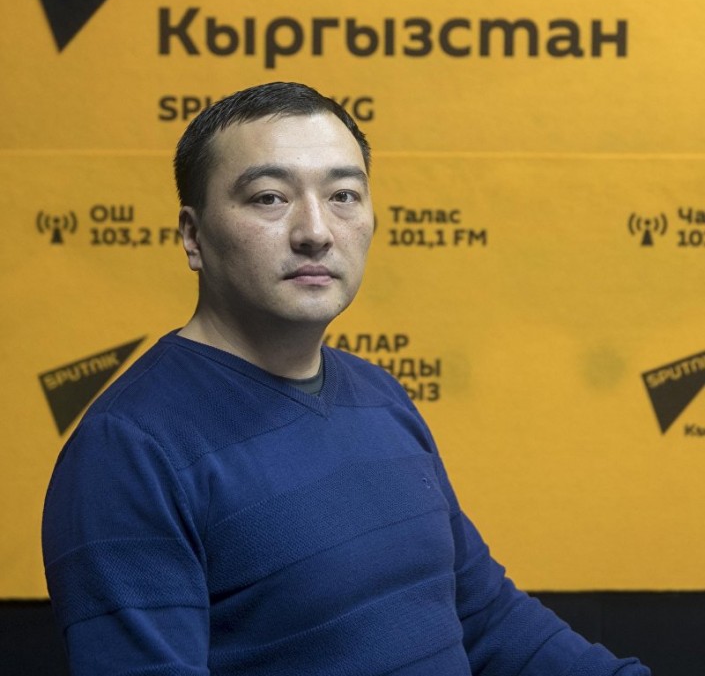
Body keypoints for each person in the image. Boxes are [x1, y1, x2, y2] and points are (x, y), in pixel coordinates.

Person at [42, 81, 650, 676]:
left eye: (343, 195)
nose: (315, 231)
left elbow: (484, 619)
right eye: (269, 198)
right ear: (193, 236)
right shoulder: (128, 450)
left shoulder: (380, 396)